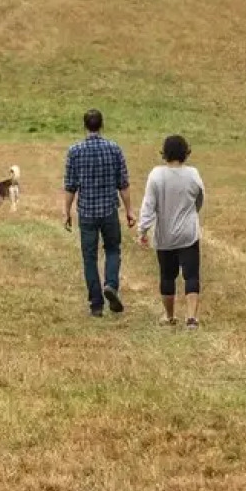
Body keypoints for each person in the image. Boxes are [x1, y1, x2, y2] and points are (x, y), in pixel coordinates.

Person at [63, 109, 134, 317]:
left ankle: (96, 304)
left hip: (87, 212)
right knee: (112, 250)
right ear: (102, 125)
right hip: (109, 211)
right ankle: (110, 284)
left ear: (85, 126)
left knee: (89, 257)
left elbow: (70, 186)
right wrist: (129, 211)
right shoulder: (114, 149)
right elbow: (123, 184)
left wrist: (66, 212)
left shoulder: (75, 151)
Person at [136, 135, 206, 329]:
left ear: (164, 153)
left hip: (164, 235)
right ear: (185, 153)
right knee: (191, 275)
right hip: (188, 233)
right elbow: (200, 199)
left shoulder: (156, 175)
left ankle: (170, 316)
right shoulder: (193, 174)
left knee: (167, 276)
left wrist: (142, 230)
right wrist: (191, 213)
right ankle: (191, 317)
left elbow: (148, 206)